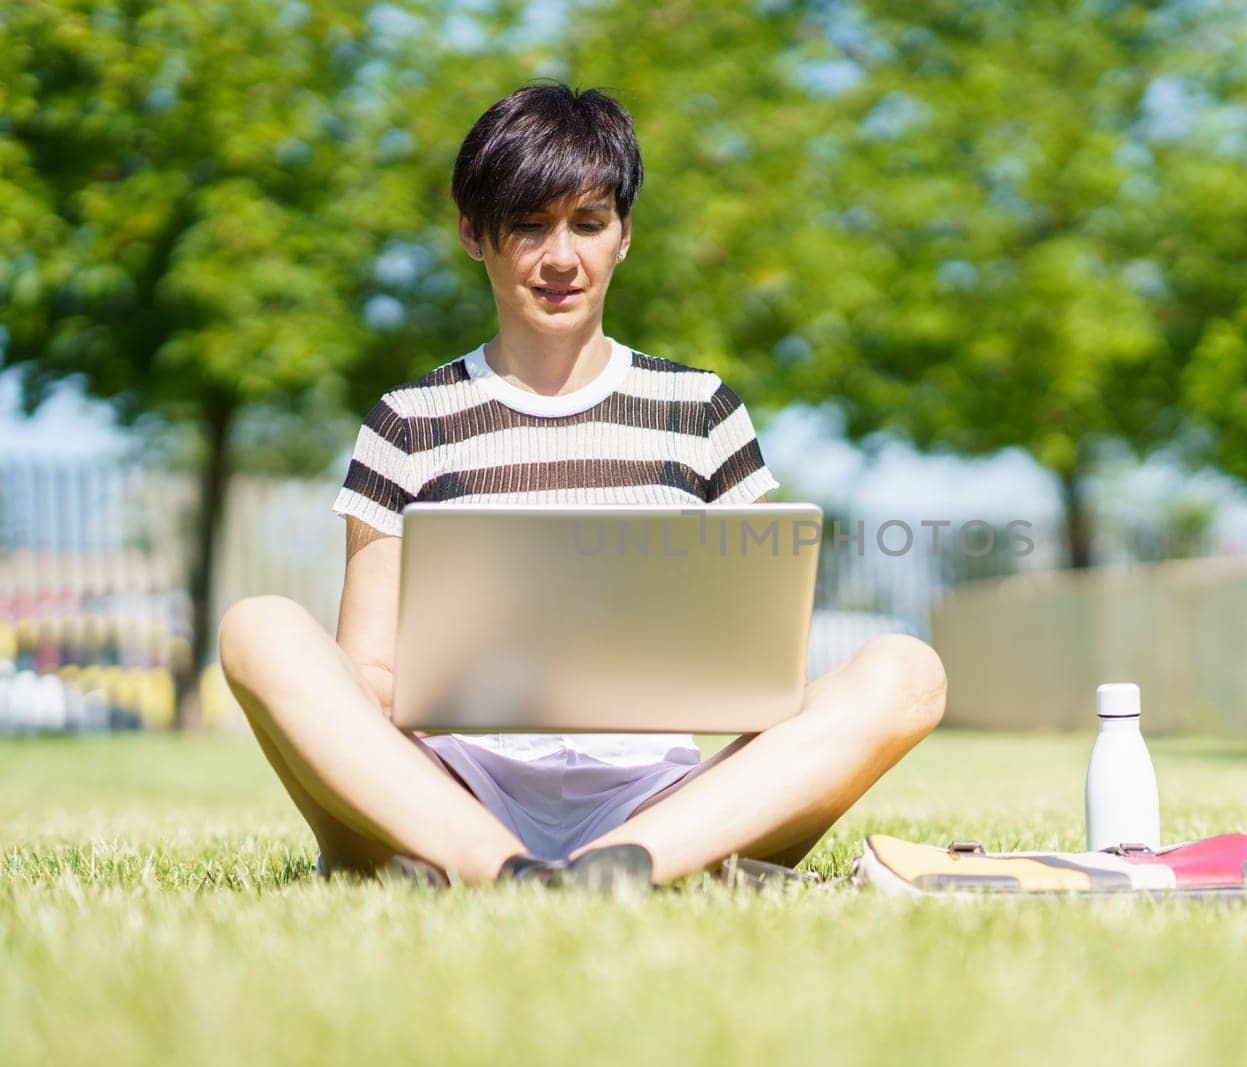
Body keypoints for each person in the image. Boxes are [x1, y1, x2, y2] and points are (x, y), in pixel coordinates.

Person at [217, 82, 947, 890]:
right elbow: (371, 677)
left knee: (908, 671)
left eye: (589, 223)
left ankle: (619, 866)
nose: (560, 257)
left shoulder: (702, 412)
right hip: (446, 798)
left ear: (624, 236)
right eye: (528, 225)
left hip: (659, 804)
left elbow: (762, 676)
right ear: (472, 234)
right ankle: (503, 868)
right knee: (260, 626)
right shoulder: (407, 421)